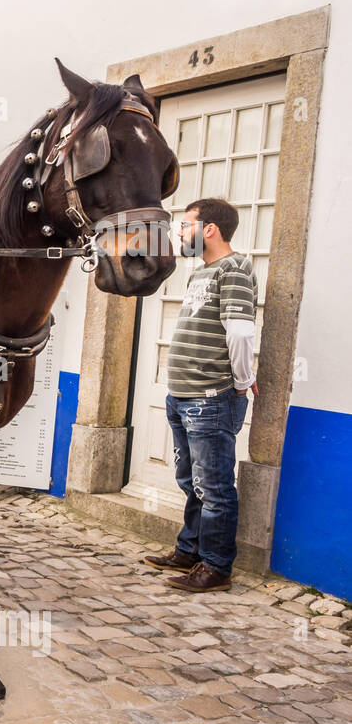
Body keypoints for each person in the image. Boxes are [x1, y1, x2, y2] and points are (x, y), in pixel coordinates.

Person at [142, 198, 258, 593]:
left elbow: (241, 332)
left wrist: (241, 381)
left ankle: (216, 568)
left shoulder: (235, 268)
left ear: (210, 229)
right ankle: (190, 550)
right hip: (182, 396)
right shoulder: (200, 274)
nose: (178, 232)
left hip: (210, 398)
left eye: (185, 225)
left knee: (215, 488)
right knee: (191, 482)